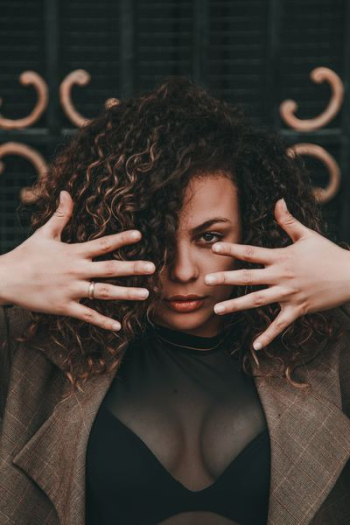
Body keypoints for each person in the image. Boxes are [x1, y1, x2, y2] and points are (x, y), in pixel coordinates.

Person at [0, 76, 350, 525]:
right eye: (155, 238)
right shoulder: (31, 347)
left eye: (209, 237)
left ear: (253, 227)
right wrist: (6, 276)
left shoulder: (329, 346)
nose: (183, 270)